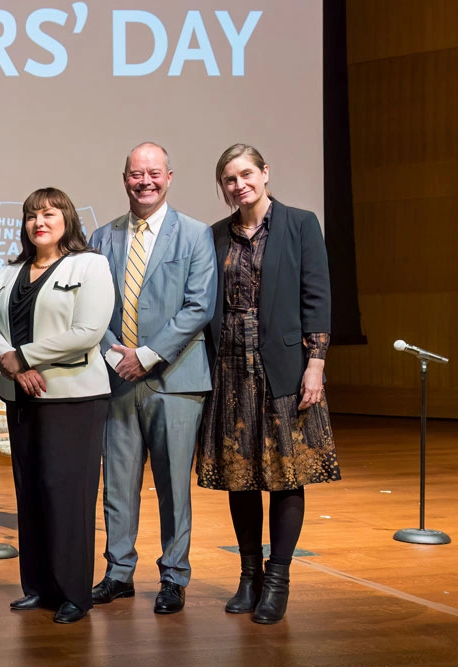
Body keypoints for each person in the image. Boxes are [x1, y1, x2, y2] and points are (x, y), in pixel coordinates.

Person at [197, 143, 340, 625]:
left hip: (284, 366)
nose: (240, 185)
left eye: (246, 174)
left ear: (265, 173)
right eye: (230, 180)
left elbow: (316, 296)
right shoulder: (215, 235)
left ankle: (277, 581)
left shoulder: (300, 224)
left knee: (285, 474)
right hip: (230, 368)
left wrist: (315, 363)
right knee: (240, 475)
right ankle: (248, 576)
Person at [89, 142, 217, 615]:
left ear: (169, 176)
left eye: (154, 173)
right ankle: (118, 573)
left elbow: (199, 306)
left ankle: (174, 576)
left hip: (176, 381)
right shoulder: (103, 237)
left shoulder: (196, 234)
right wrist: (112, 353)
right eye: (136, 174)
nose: (145, 181)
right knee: (117, 485)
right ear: (125, 179)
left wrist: (146, 355)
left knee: (172, 487)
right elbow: (93, 306)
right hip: (117, 380)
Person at [0, 187, 114, 624]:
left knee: (68, 495)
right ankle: (38, 587)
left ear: (67, 219)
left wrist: (27, 356)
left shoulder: (90, 265)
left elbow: (89, 330)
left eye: (49, 213)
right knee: (31, 492)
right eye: (32, 215)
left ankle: (74, 592)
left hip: (72, 397)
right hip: (22, 395)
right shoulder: (10, 270)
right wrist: (13, 364)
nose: (40, 221)